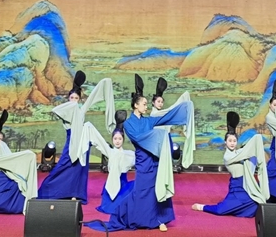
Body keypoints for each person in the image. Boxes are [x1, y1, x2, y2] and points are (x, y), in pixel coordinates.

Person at [86, 74, 196, 232]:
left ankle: (160, 219)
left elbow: (167, 117)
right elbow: (139, 138)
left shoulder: (148, 120)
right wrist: (159, 135)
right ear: (136, 106)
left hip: (155, 161)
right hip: (143, 162)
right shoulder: (129, 124)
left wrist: (185, 108)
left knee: (157, 189)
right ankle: (133, 217)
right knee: (141, 192)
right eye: (144, 104)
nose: (146, 106)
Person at [38, 70, 116, 203]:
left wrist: (105, 83)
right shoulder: (66, 110)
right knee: (63, 167)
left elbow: (92, 99)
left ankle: (75, 195)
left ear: (79, 99)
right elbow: (56, 110)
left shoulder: (80, 110)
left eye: (76, 98)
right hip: (71, 143)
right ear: (68, 99)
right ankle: (47, 191)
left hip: (83, 142)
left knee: (79, 170)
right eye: (72, 98)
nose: (74, 100)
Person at [191, 111, 269, 217]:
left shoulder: (239, 153)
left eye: (234, 141)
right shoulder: (228, 157)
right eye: (230, 141)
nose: (232, 143)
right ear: (225, 142)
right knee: (220, 210)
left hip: (247, 186)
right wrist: (256, 139)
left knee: (257, 204)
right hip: (237, 188)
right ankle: (202, 207)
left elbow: (250, 152)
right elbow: (250, 148)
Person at [0, 110, 39, 214]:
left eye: (2, 140)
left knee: (20, 186)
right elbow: (10, 159)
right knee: (15, 189)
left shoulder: (1, 151)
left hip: (5, 181)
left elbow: (9, 159)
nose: (0, 143)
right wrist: (27, 154)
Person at [86, 111, 136, 215]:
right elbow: (99, 141)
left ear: (123, 140)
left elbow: (139, 158)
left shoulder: (128, 154)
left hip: (123, 184)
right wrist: (89, 127)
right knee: (109, 207)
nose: (117, 141)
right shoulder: (110, 152)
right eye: (115, 138)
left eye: (120, 139)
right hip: (112, 183)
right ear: (112, 139)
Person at [149, 77, 195, 176]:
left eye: (162, 102)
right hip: (157, 140)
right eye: (158, 101)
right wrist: (182, 100)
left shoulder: (163, 113)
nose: (160, 104)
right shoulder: (154, 114)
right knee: (157, 160)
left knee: (167, 159)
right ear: (153, 102)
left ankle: (165, 177)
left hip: (166, 138)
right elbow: (172, 109)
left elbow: (171, 111)